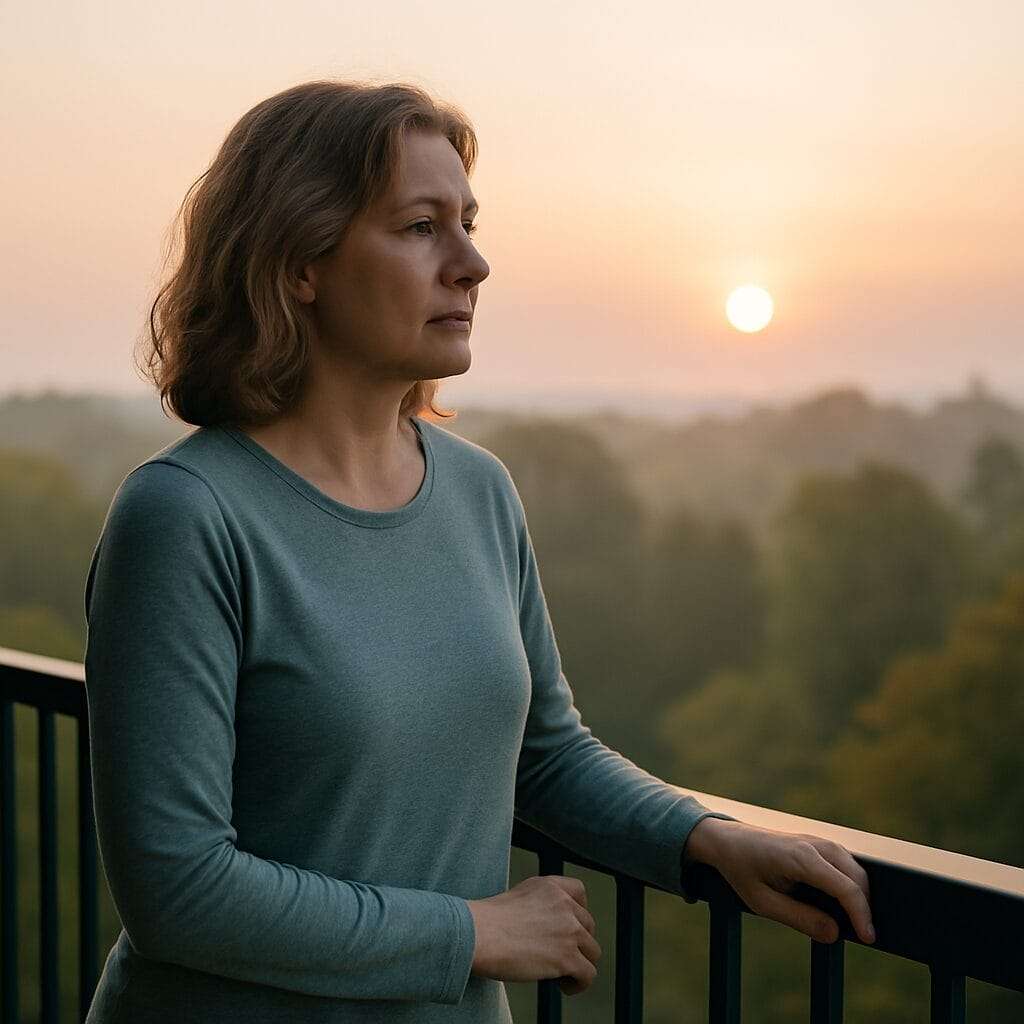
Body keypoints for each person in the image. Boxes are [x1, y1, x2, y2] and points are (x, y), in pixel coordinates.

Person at [82, 79, 874, 1024]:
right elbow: (179, 893)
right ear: (299, 262)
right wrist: (473, 934)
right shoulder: (186, 518)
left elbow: (543, 755)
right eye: (421, 226)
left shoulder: (478, 491)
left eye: (469, 222)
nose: (473, 264)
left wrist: (706, 838)